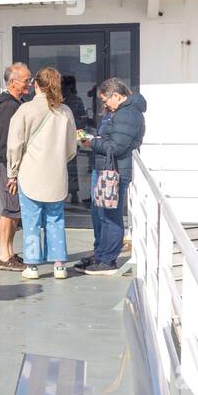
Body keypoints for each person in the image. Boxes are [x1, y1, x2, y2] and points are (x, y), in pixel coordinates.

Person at [5, 66, 77, 280]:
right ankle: (59, 265)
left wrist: (12, 172)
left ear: (35, 84)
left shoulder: (25, 110)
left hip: (30, 174)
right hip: (56, 175)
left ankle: (32, 265)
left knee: (31, 220)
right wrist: (57, 160)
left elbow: (14, 145)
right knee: (56, 219)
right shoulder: (65, 111)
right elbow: (71, 148)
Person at [77, 78, 146, 275]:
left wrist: (92, 143)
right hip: (107, 169)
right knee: (100, 214)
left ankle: (107, 260)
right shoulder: (121, 112)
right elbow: (112, 140)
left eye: (105, 100)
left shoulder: (129, 114)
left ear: (116, 95)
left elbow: (115, 147)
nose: (104, 105)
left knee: (110, 216)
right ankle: (101, 254)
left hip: (114, 171)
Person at [0, 62, 31, 271]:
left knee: (14, 211)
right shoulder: (9, 106)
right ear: (13, 83)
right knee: (10, 210)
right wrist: (12, 174)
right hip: (8, 166)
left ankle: (9, 253)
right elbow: (8, 142)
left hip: (10, 166)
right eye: (26, 81)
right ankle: (4, 256)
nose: (30, 85)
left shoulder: (14, 103)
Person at [62, 75, 90, 203]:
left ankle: (73, 192)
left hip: (71, 137)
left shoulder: (75, 100)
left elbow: (82, 119)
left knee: (71, 166)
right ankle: (67, 192)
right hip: (61, 138)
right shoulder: (60, 101)